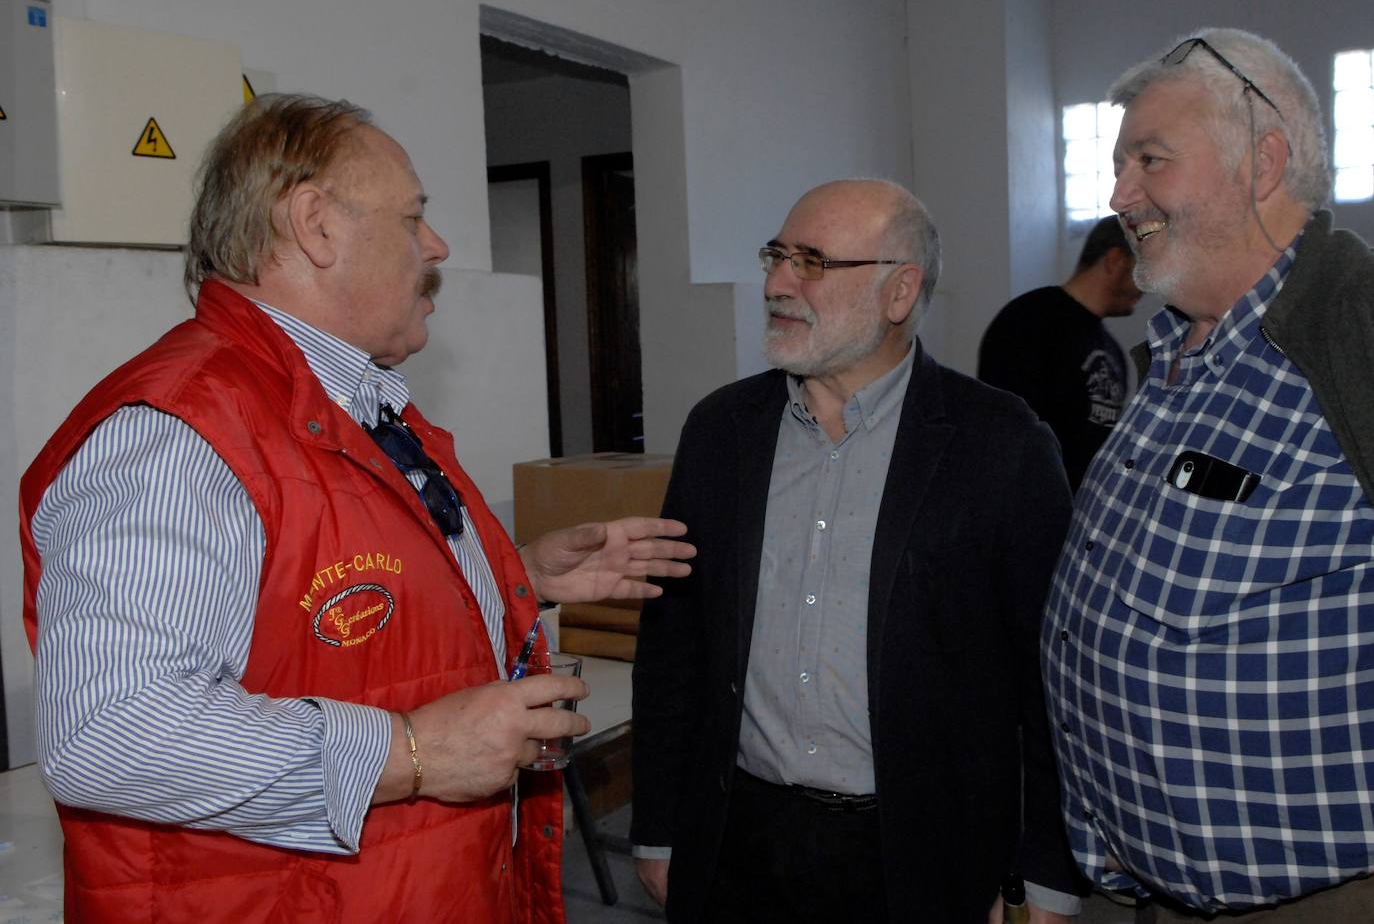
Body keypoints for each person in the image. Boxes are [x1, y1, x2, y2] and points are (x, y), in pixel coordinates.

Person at [18, 94, 695, 924]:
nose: (437, 246)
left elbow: (319, 607)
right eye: (414, 217)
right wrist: (412, 752)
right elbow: (112, 733)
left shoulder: (349, 406)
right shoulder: (180, 432)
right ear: (316, 225)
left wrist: (518, 573)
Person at [631, 179, 1083, 923]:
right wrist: (656, 825)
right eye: (777, 256)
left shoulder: (1001, 445)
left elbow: (1050, 681)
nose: (777, 282)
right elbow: (676, 644)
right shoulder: (722, 432)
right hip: (737, 842)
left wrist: (1045, 873)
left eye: (811, 262)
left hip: (923, 855)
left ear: (898, 291)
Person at [1042, 28, 1374, 922]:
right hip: (1137, 883)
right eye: (1119, 166)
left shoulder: (1355, 337)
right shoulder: (1177, 354)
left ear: (1264, 162)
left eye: (1150, 159)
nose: (1119, 196)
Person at [978, 216, 1141, 490]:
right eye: (1141, 269)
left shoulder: (1112, 350)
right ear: (1115, 260)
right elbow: (1001, 430)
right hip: (1029, 511)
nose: (1146, 285)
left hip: (1084, 514)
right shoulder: (1029, 319)